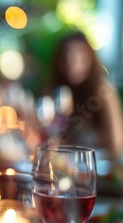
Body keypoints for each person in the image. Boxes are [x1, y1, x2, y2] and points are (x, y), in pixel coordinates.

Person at [49, 32, 123, 162]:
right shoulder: (61, 92)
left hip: (99, 172)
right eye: (66, 56)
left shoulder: (104, 91)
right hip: (71, 170)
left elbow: (116, 147)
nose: (71, 62)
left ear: (90, 59)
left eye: (78, 55)